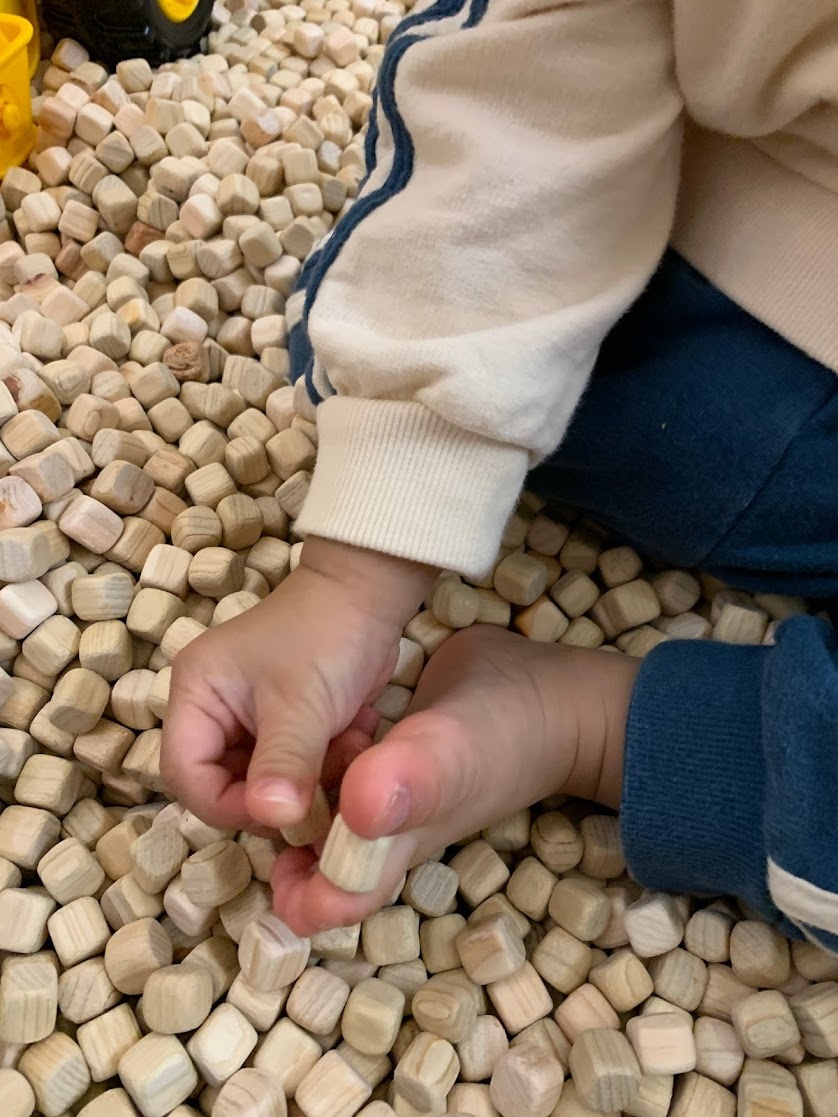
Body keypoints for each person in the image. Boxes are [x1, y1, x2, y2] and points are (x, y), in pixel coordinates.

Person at [161, 0, 838, 951]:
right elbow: (551, 50)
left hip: (664, 351)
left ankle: (587, 724)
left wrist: (357, 571)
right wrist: (360, 567)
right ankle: (586, 721)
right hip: (681, 292)